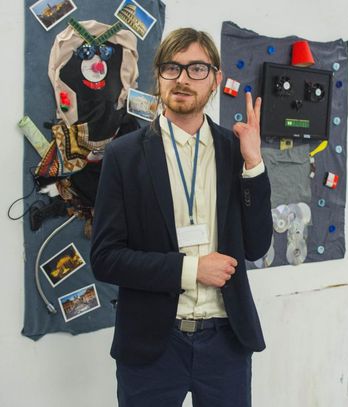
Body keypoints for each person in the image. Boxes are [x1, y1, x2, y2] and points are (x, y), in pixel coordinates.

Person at [90, 27, 273, 407]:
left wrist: (254, 163)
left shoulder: (236, 151)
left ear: (216, 79)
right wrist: (192, 270)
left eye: (197, 69)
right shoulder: (124, 156)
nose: (183, 79)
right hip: (152, 345)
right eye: (172, 68)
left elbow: (257, 246)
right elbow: (106, 259)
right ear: (158, 76)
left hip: (226, 341)